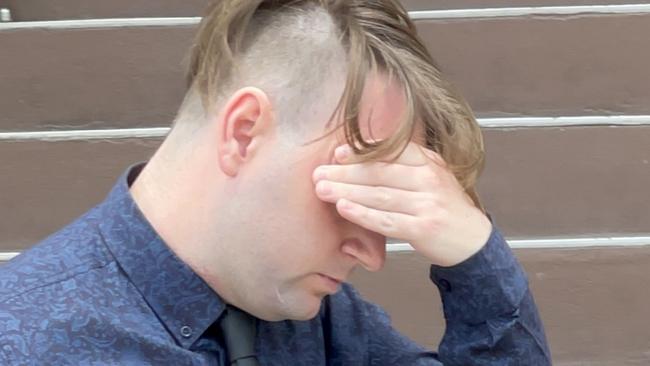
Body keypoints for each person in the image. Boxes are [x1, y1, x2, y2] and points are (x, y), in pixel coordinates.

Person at [0, 1, 551, 365]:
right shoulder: (28, 340)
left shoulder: (322, 324)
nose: (372, 252)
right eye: (353, 192)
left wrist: (474, 258)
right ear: (243, 133)